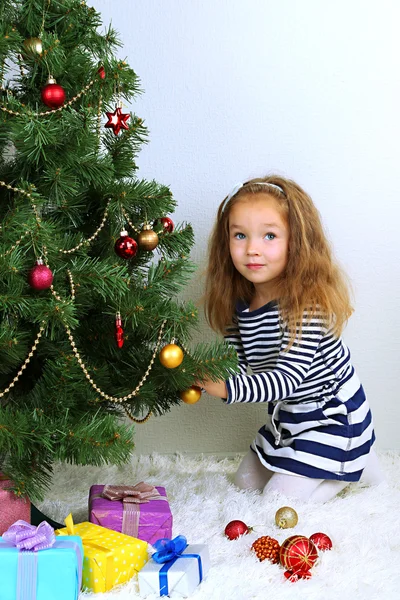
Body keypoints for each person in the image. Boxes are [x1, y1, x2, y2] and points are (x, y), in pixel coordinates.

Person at [198, 175, 384, 502]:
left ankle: (352, 464)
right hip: (289, 419)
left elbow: (287, 381)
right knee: (243, 482)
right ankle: (349, 463)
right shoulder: (239, 305)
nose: (252, 249)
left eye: (269, 235)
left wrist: (224, 388)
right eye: (240, 235)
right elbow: (237, 365)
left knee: (277, 501)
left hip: (333, 417)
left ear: (295, 242)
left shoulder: (307, 307)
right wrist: (201, 375)